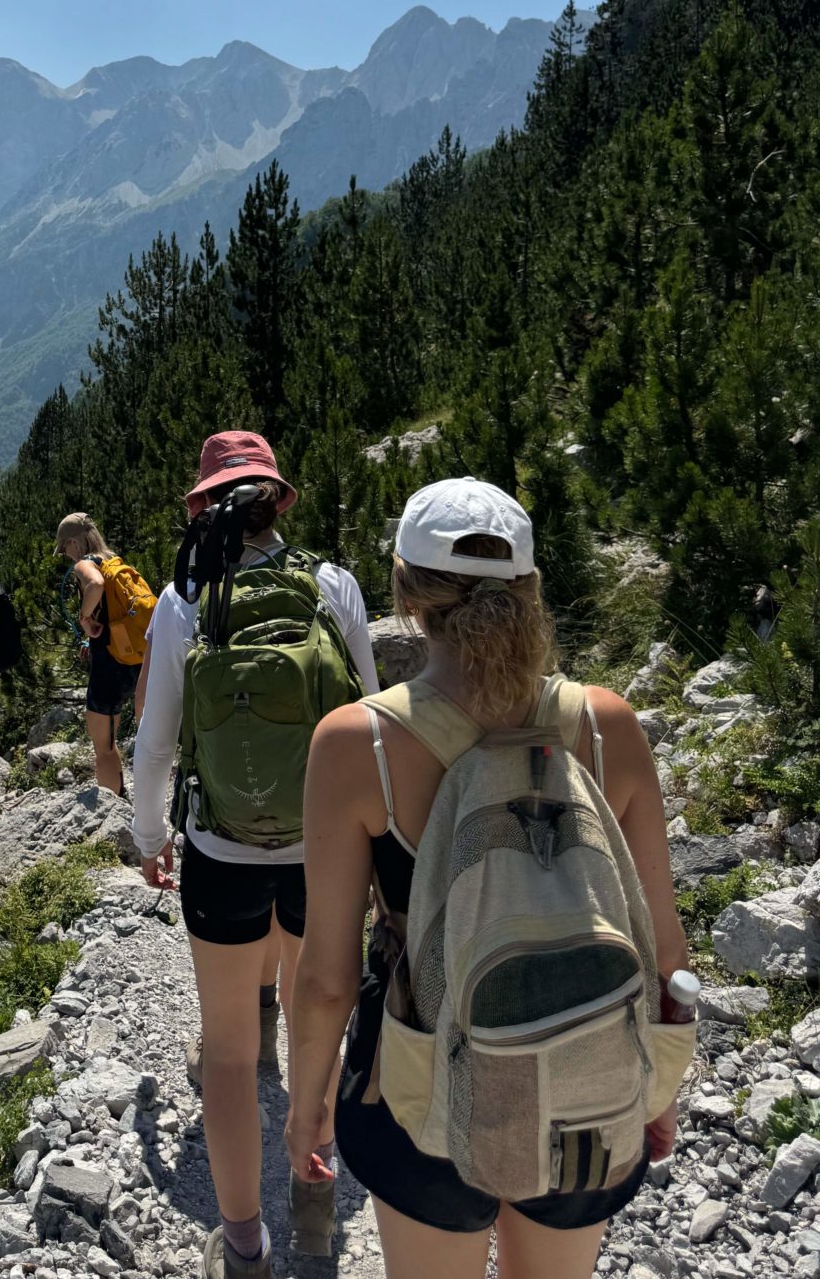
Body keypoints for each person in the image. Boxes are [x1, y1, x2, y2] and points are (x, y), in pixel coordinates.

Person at [286, 477, 691, 1279]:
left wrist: (308, 1105)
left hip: (419, 1080)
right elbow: (664, 948)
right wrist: (658, 1084)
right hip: (587, 1071)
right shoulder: (607, 725)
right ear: (532, 592)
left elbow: (327, 978)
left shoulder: (355, 745)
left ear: (405, 593)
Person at [131, 431, 378, 1279]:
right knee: (322, 1029)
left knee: (231, 1052)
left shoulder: (183, 598)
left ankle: (243, 1246)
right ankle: (315, 1211)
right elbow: (371, 723)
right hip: (324, 854)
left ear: (203, 507)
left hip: (220, 851)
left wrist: (150, 837)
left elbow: (157, 746)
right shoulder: (332, 584)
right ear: (277, 500)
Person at [54, 512, 153, 796]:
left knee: (104, 746)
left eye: (64, 548)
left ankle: (113, 805)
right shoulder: (115, 561)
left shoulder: (85, 564)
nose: (65, 555)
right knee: (130, 737)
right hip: (135, 656)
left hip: (110, 663)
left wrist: (84, 618)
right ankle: (131, 795)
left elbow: (95, 585)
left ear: (74, 542)